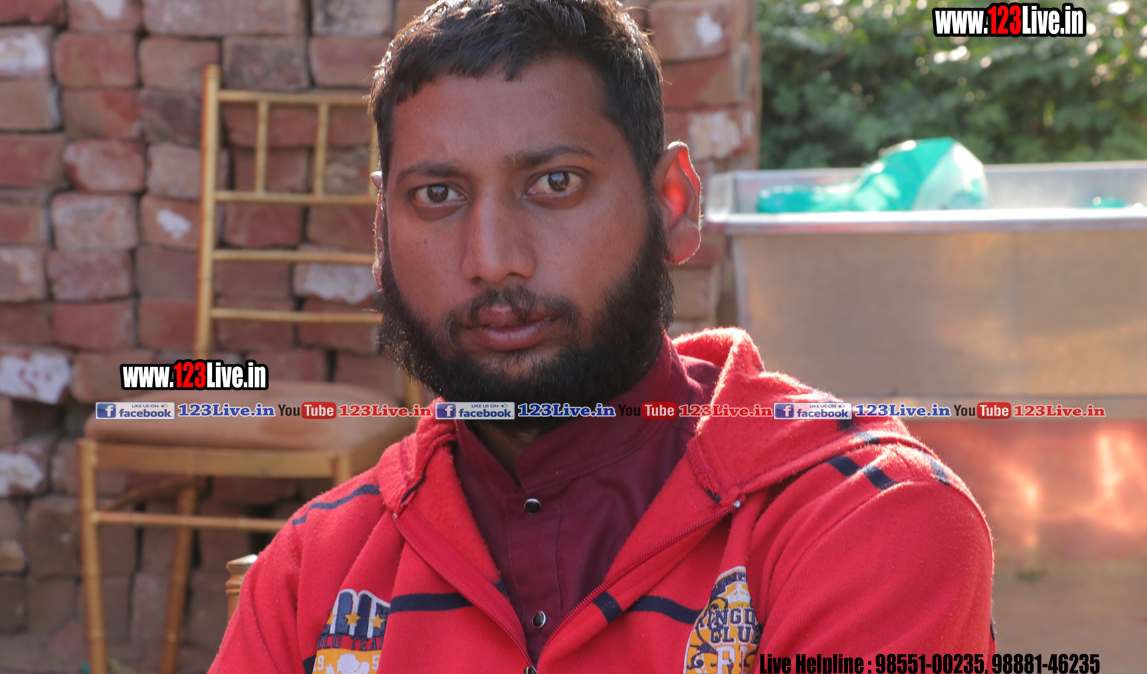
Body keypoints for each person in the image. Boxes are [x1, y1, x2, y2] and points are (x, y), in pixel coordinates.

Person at [209, 0, 994, 671]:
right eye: (438, 195)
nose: (492, 259)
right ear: (382, 235)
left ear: (672, 205)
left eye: (555, 183)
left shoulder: (864, 519)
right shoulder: (315, 571)